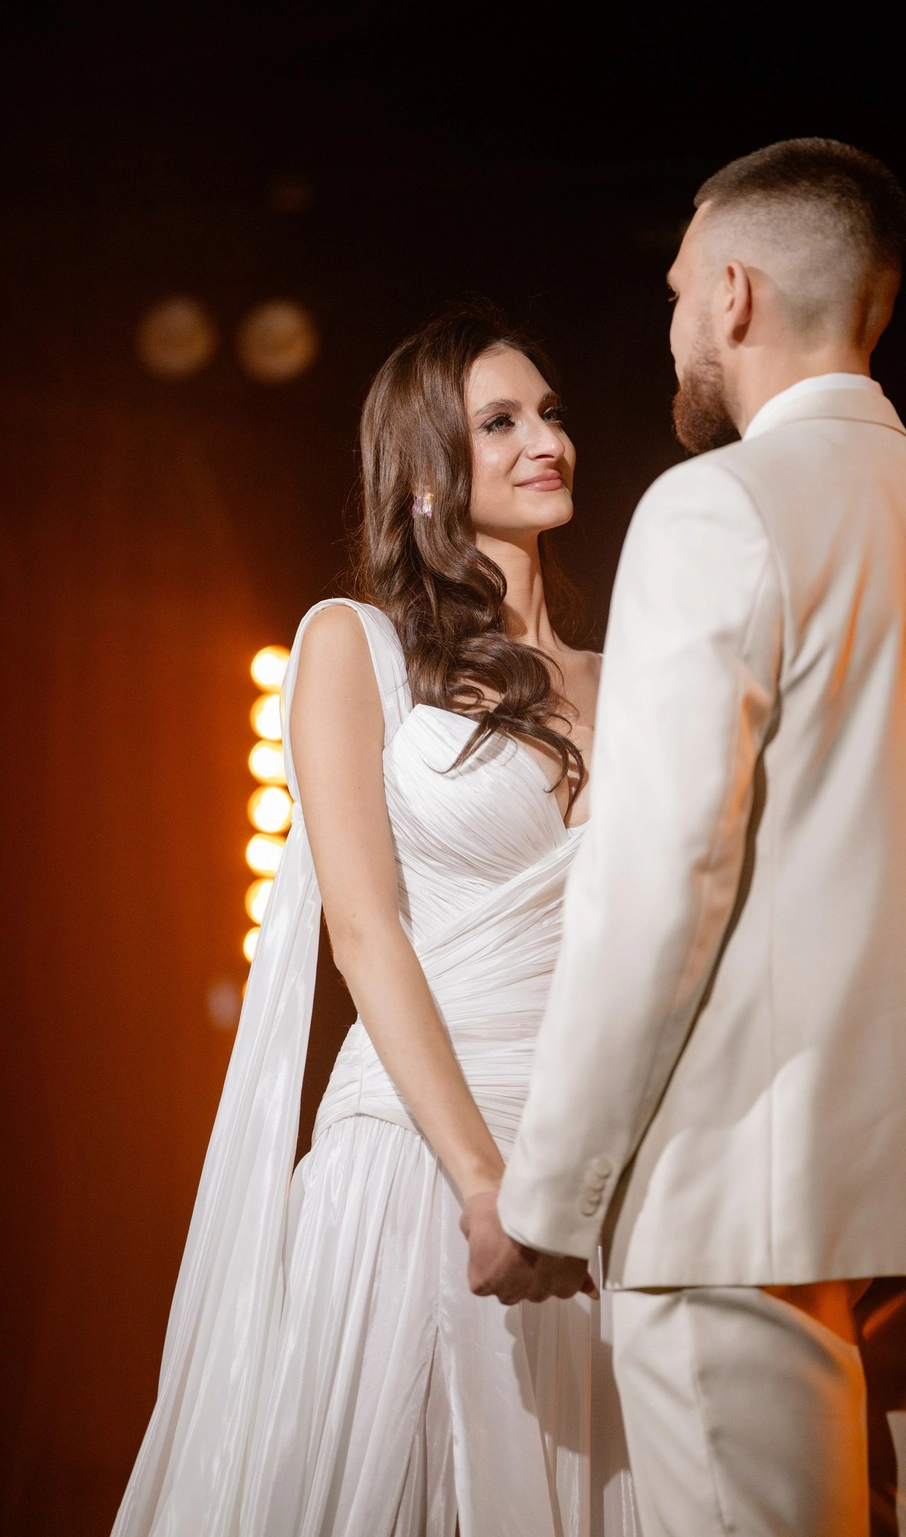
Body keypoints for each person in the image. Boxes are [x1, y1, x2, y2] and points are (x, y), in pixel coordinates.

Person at [464, 139, 906, 1537]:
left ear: (733, 294)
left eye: (680, 293)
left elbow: (661, 875)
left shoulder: (714, 506)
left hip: (736, 1202)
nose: (675, 324)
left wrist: (549, 1197)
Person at [113, 307, 639, 1537]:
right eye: (499, 422)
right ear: (422, 478)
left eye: (550, 413)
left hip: (587, 1169)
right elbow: (364, 933)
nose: (545, 441)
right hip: (420, 1155)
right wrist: (482, 1184)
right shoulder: (355, 648)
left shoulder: (633, 682)